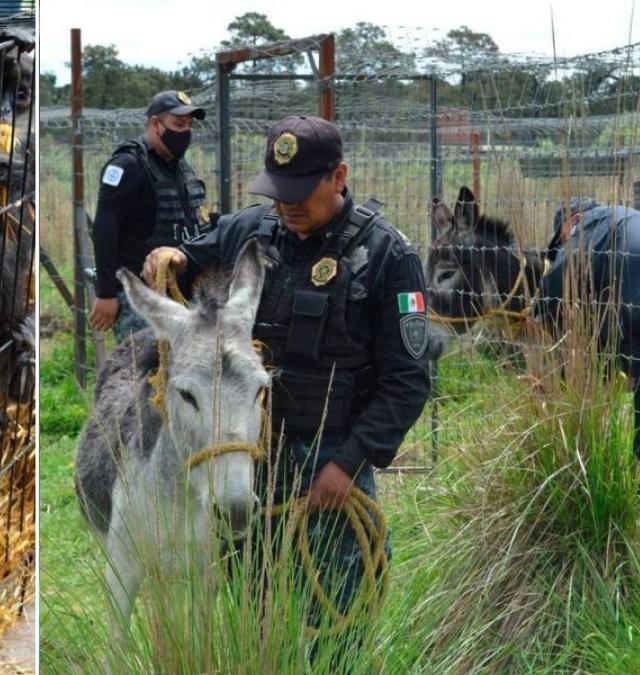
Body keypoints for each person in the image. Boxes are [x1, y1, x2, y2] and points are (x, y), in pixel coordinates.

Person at [144, 115, 431, 639]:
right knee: (257, 608)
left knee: (338, 618)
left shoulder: (387, 256)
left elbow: (408, 381)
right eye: (278, 192)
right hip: (253, 460)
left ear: (339, 176)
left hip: (334, 464)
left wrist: (348, 463)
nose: (287, 205)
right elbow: (198, 251)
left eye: (301, 191)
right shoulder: (254, 230)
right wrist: (174, 255)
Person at [89, 90, 210, 340]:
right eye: (178, 124)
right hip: (139, 296)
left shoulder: (180, 168)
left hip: (179, 291)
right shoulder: (127, 165)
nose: (185, 133)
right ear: (156, 124)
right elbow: (104, 228)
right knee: (144, 371)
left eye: (189, 126)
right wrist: (106, 293)